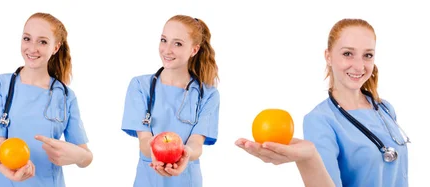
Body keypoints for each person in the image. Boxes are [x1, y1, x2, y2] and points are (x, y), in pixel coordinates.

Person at [235, 18, 410, 187]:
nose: (359, 66)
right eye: (348, 54)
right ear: (328, 56)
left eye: (368, 55)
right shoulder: (320, 120)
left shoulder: (385, 108)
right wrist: (308, 157)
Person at [0, 12, 93, 187]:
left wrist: (76, 156)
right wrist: (4, 168)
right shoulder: (0, 85)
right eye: (27, 39)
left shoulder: (66, 96)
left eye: (43, 42)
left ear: (56, 48)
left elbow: (86, 157)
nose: (32, 48)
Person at [121, 15, 220, 187]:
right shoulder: (140, 86)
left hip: (187, 180)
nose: (167, 50)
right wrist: (153, 150)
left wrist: (186, 153)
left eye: (178, 43)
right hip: (148, 179)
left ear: (194, 50)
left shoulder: (208, 94)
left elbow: (196, 143)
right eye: (164, 40)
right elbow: (144, 139)